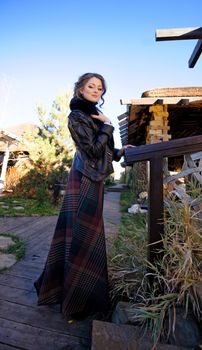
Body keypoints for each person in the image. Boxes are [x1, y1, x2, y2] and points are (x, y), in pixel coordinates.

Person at [34, 72, 131, 321]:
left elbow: (104, 150)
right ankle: (75, 298)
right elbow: (91, 150)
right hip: (83, 178)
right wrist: (108, 126)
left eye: (100, 88)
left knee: (85, 233)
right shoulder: (76, 116)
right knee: (82, 233)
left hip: (93, 178)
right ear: (80, 89)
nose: (96, 90)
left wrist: (119, 151)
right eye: (91, 86)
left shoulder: (95, 116)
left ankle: (76, 291)